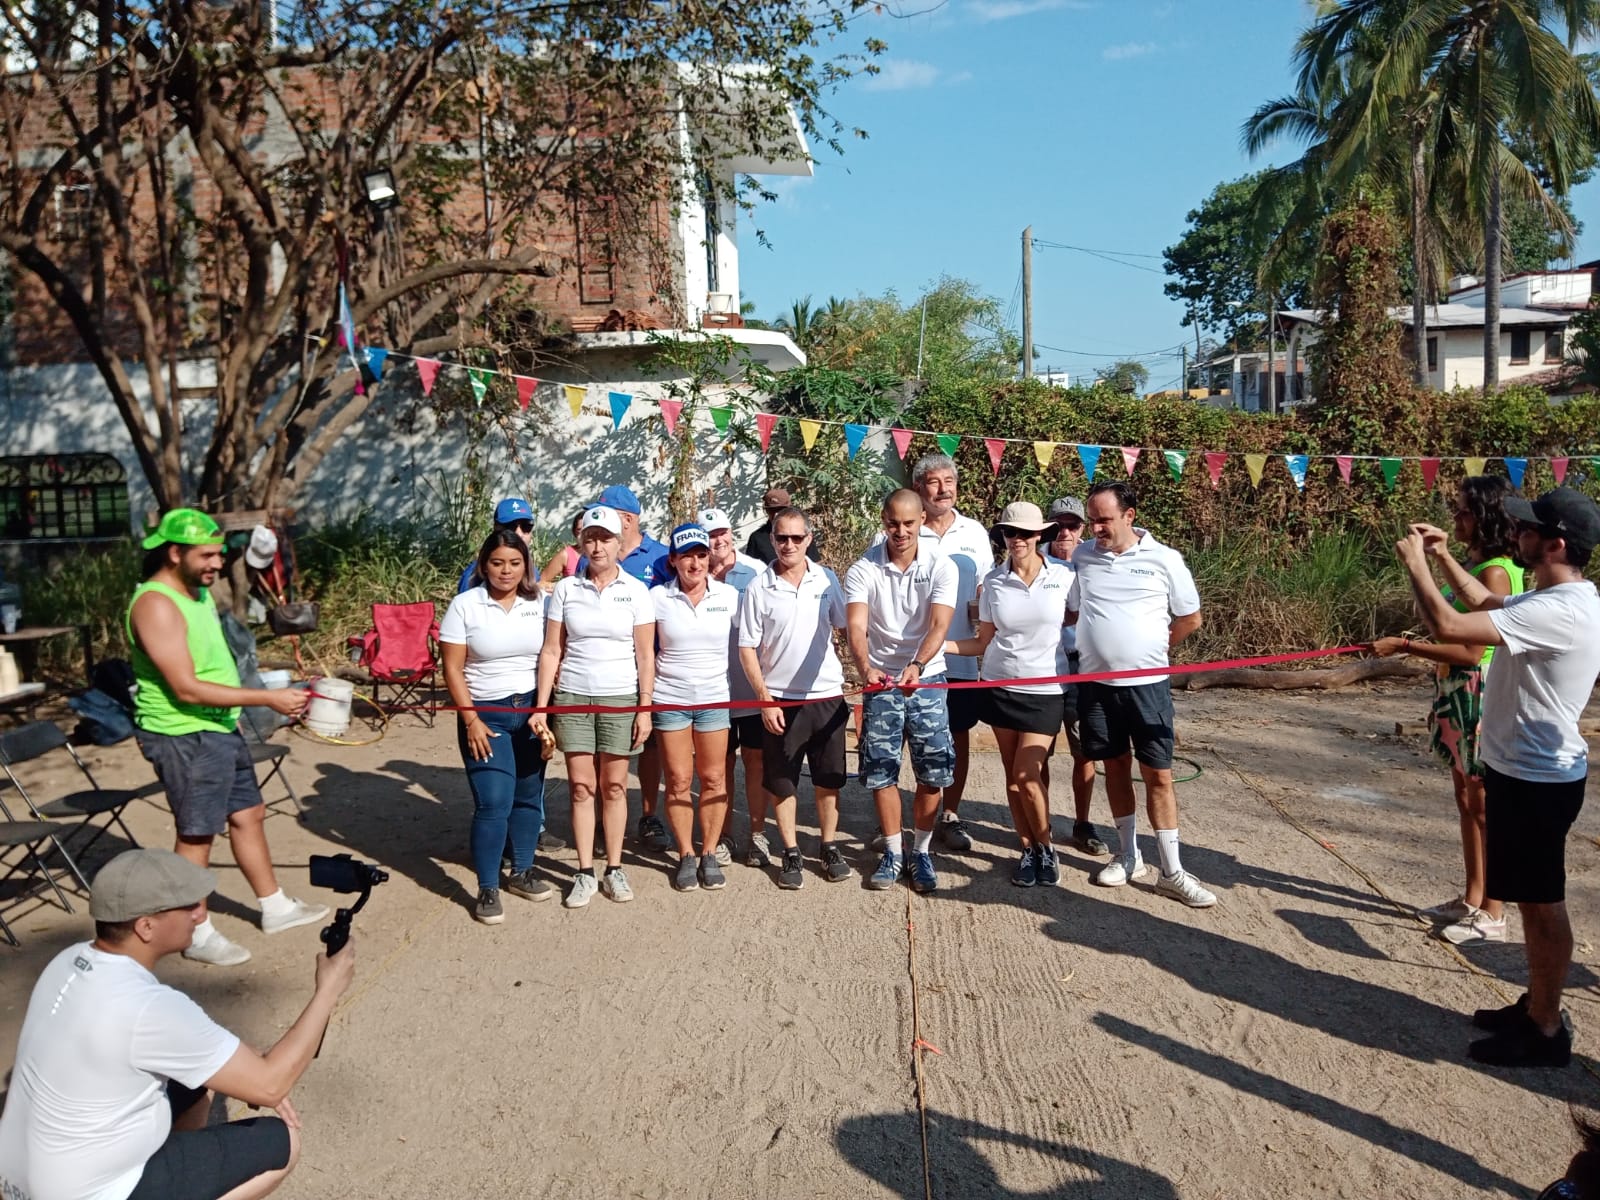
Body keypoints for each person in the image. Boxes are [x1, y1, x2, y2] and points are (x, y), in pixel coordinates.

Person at [0, 848, 356, 1200]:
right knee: (283, 1143)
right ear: (145, 926)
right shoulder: (149, 1007)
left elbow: (197, 1046)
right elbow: (270, 1086)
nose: (201, 915)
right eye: (188, 906)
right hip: (87, 1193)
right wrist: (328, 991)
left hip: (20, 1179)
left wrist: (248, 1068)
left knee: (199, 1085)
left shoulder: (68, 959)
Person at [1398, 486, 1600, 1068]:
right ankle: (1538, 1004)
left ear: (1555, 543)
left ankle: (1545, 1026)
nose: (1518, 533)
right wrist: (1441, 556)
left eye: (1529, 529)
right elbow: (1489, 601)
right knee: (1534, 898)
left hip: (1540, 778)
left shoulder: (1558, 609)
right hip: (1522, 770)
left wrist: (1414, 565)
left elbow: (1448, 623)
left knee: (1542, 904)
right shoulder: (1555, 598)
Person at [126, 509, 328, 968]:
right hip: (184, 733)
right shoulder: (155, 604)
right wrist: (267, 699)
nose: (217, 563)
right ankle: (193, 931)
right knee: (197, 835)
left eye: (220, 553)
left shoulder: (194, 592)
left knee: (249, 813)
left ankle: (274, 906)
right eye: (208, 555)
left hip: (218, 726)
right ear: (174, 552)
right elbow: (185, 687)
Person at [1371, 475, 1523, 945]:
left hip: (1478, 690)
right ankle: (1473, 896)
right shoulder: (1474, 564)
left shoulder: (1497, 571)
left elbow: (1470, 652)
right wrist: (1429, 564)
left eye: (1461, 511)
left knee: (1484, 803)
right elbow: (1439, 621)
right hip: (1457, 693)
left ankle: (1493, 910)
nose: (1454, 517)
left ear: (1484, 517)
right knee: (1466, 800)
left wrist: (1407, 648)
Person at [1068, 481, 1214, 908]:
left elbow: (1190, 618)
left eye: (1104, 520)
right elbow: (1074, 608)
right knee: (1114, 768)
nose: (1095, 528)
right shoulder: (1083, 556)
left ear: (1129, 516)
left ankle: (1172, 871)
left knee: (1159, 775)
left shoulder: (1164, 559)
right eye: (1092, 520)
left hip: (1147, 688)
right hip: (1095, 686)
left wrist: (1154, 648)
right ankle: (1129, 855)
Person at [532, 505, 655, 908]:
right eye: (591, 538)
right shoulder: (566, 589)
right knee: (582, 788)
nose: (598, 546)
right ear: (580, 543)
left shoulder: (637, 591)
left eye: (605, 538)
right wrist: (541, 705)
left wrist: (644, 707)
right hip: (573, 696)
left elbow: (645, 656)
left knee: (614, 786)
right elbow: (552, 650)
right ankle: (585, 872)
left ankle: (614, 868)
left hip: (620, 698)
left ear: (620, 543)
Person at [945, 502, 1073, 888]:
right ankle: (1027, 849)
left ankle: (1047, 847)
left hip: (1047, 689)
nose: (1016, 540)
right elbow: (983, 641)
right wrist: (938, 647)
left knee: (1026, 773)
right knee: (1013, 779)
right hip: (1000, 686)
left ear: (1040, 536)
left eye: (1025, 533)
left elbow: (1080, 619)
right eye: (1009, 533)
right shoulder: (993, 582)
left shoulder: (1066, 576)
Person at [846, 489, 957, 893]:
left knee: (932, 772)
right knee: (881, 771)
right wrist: (866, 668)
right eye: (893, 523)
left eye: (909, 523)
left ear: (922, 521)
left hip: (926, 679)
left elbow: (939, 626)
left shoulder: (942, 566)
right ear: (883, 520)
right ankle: (894, 851)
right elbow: (856, 626)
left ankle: (922, 851)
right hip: (881, 681)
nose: (901, 531)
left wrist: (917, 665)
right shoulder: (863, 568)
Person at [440, 530, 552, 925]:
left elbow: (551, 656)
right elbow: (452, 668)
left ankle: (521, 871)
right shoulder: (465, 606)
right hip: (485, 715)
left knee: (527, 796)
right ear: (484, 564)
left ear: (526, 566)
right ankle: (488, 886)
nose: (506, 571)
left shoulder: (540, 602)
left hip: (532, 713)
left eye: (515, 563)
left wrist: (544, 711)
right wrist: (469, 718)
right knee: (493, 802)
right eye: (497, 562)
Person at [738, 507, 850, 889]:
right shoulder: (758, 586)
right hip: (781, 700)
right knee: (782, 782)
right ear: (772, 540)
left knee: (828, 779)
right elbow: (747, 648)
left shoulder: (826, 578)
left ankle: (829, 845)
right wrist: (765, 699)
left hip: (827, 696)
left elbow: (847, 627)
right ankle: (789, 851)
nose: (789, 545)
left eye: (796, 538)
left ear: (809, 539)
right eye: (781, 538)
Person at [900, 454, 996, 854]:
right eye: (934, 482)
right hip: (906, 660)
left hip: (958, 657)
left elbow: (987, 591)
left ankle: (950, 815)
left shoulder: (974, 532)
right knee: (901, 737)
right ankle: (893, 822)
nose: (944, 489)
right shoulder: (901, 530)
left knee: (956, 738)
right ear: (920, 488)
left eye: (949, 480)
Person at [653, 524, 740, 892]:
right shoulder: (656, 597)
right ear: (673, 559)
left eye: (701, 554)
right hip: (669, 698)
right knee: (677, 781)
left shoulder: (729, 595)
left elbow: (756, 638)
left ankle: (709, 852)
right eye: (686, 555)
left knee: (715, 778)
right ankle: (686, 854)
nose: (695, 562)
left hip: (714, 699)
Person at [588, 484, 672, 851]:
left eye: (607, 516)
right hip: (604, 672)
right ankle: (600, 816)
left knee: (649, 747)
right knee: (598, 747)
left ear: (626, 519)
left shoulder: (661, 557)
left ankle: (649, 815)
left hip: (651, 668)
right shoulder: (590, 557)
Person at [1042, 497, 1109, 857]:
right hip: (1046, 669)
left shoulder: (1093, 559)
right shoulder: (1033, 559)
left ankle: (1082, 824)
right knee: (1040, 753)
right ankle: (1041, 822)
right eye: (1058, 525)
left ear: (1083, 528)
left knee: (1085, 754)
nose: (1065, 532)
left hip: (1084, 669)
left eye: (1073, 525)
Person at [700, 507, 767, 866]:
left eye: (723, 531)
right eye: (710, 535)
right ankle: (722, 836)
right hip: (713, 692)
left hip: (750, 689)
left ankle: (757, 834)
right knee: (719, 767)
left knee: (756, 762)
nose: (718, 540)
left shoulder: (756, 572)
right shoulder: (694, 575)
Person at [457, 497, 535, 593]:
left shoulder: (533, 572)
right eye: (511, 526)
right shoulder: (473, 576)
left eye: (526, 526)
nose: (519, 533)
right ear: (495, 527)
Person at [744, 487, 821, 565]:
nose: (776, 514)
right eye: (771, 510)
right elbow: (750, 569)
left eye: (780, 510)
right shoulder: (757, 538)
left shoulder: (800, 532)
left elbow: (815, 564)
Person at [539, 508, 587, 589]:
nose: (584, 534)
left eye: (587, 529)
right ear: (574, 532)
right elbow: (541, 582)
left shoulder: (603, 554)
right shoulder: (566, 555)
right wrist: (561, 587)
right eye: (579, 530)